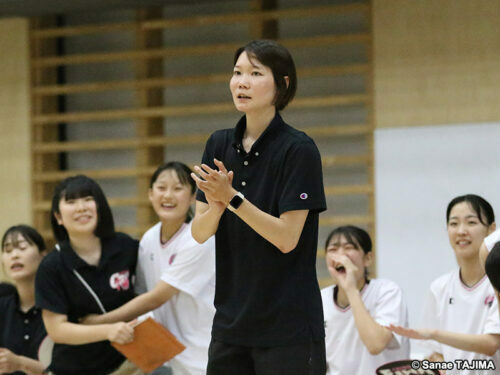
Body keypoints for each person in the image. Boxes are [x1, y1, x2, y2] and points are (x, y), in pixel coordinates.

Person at [191, 39, 327, 375]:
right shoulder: (218, 143)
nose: (242, 82)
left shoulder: (299, 150)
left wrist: (232, 198)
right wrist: (218, 207)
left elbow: (286, 238)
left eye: (255, 73)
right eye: (237, 73)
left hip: (288, 327)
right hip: (230, 326)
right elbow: (198, 232)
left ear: (282, 84)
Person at [82, 162, 216, 375]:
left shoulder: (198, 238)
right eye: (161, 188)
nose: (168, 195)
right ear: (150, 194)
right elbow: (141, 295)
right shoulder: (149, 239)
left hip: (205, 354)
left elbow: (156, 297)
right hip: (171, 357)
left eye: (178, 188)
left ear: (193, 197)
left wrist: (98, 323)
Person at [34, 175, 143, 375]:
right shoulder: (51, 267)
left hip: (127, 366)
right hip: (73, 368)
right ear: (58, 217)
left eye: (88, 199)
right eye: (71, 201)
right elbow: (57, 330)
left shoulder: (127, 247)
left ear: (99, 207)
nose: (81, 207)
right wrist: (108, 330)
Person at [389, 194, 500, 375]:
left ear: (491, 230)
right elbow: (436, 354)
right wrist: (436, 362)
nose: (461, 231)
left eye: (471, 223)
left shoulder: (496, 283)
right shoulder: (439, 288)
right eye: (454, 224)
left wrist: (434, 333)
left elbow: (491, 344)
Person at [322, 225, 409, 375]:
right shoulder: (321, 299)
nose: (341, 255)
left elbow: (375, 344)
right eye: (333, 250)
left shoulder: (387, 292)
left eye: (349, 248)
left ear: (368, 259)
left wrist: (350, 289)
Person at [0, 225, 48, 375]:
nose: (14, 255)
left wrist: (20, 363)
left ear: (43, 255)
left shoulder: (59, 306)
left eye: (22, 247)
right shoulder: (2, 307)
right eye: (7, 251)